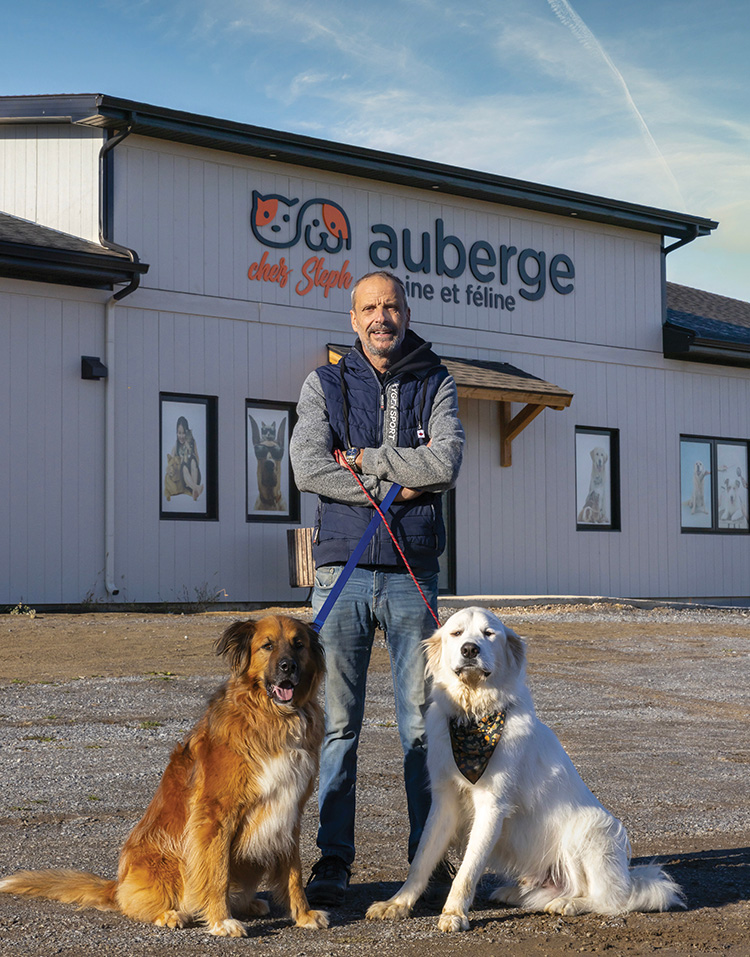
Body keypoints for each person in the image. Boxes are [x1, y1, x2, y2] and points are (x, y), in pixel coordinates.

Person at [289, 270, 465, 906]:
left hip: (414, 571)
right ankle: (332, 862)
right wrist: (401, 479)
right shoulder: (325, 384)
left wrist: (363, 460)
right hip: (343, 570)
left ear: (406, 312)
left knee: (424, 726)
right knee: (336, 725)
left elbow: (444, 463)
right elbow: (308, 466)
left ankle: (432, 861)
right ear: (352, 316)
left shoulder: (436, 380)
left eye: (390, 306)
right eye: (369, 307)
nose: (380, 317)